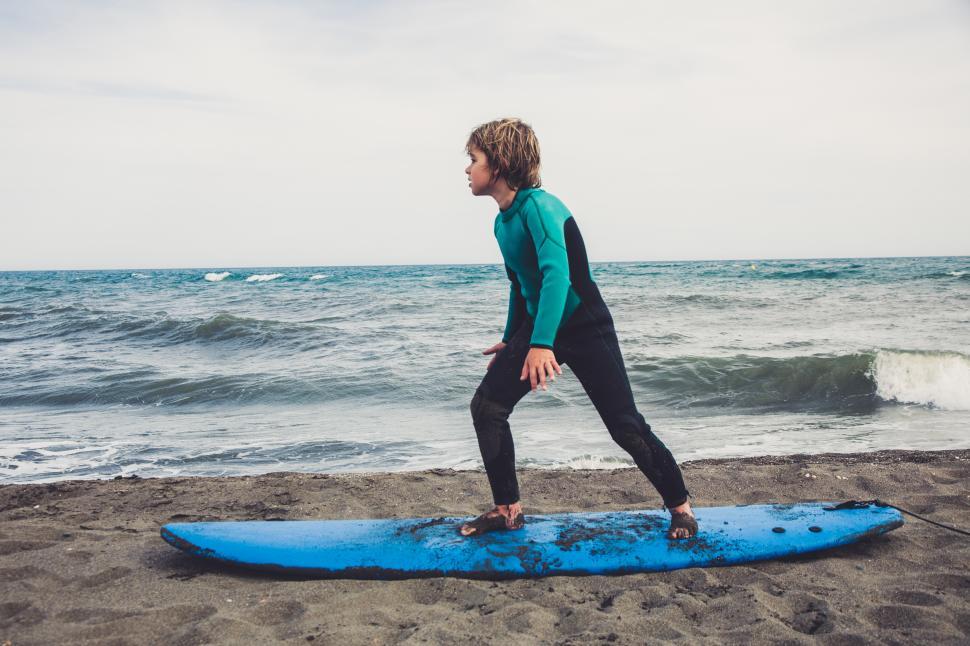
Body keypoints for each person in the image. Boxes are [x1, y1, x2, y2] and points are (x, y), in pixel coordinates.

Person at [457, 117, 698, 540]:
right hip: (540, 325)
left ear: (498, 163)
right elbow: (520, 283)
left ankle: (681, 508)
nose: (467, 169)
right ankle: (507, 510)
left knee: (625, 425)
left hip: (584, 325)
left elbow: (556, 278)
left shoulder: (541, 208)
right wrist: (513, 336)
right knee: (487, 408)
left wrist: (541, 344)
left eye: (473, 159)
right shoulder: (502, 221)